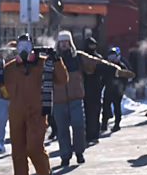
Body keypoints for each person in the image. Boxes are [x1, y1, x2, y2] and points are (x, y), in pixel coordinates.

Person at [0, 34, 65, 175]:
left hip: (37, 112)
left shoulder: (43, 63)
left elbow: (62, 80)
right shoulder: (10, 68)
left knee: (34, 146)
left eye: (27, 46)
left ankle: (45, 172)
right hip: (16, 113)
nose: (24, 50)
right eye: (21, 47)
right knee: (18, 150)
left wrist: (56, 60)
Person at [52, 31, 131, 166]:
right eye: (61, 42)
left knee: (78, 125)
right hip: (58, 100)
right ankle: (65, 156)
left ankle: (79, 152)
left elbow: (97, 63)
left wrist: (116, 70)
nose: (64, 44)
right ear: (58, 44)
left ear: (70, 43)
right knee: (62, 129)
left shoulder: (78, 57)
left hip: (76, 98)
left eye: (66, 41)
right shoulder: (52, 59)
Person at [100, 47, 134, 132]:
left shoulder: (121, 66)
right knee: (105, 107)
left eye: (113, 56)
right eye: (110, 57)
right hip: (108, 89)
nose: (111, 59)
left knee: (117, 107)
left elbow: (126, 77)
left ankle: (117, 124)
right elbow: (104, 78)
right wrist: (101, 87)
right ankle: (104, 124)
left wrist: (122, 86)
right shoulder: (107, 67)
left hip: (117, 90)